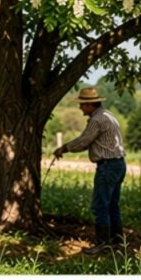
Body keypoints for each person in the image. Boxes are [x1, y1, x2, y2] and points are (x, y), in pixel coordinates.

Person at [54, 87, 127, 254]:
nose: (80, 109)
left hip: (107, 166)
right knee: (112, 205)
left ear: (90, 104)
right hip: (119, 164)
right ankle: (117, 241)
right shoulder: (108, 115)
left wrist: (63, 149)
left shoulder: (97, 120)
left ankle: (103, 244)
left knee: (100, 205)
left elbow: (84, 141)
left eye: (82, 105)